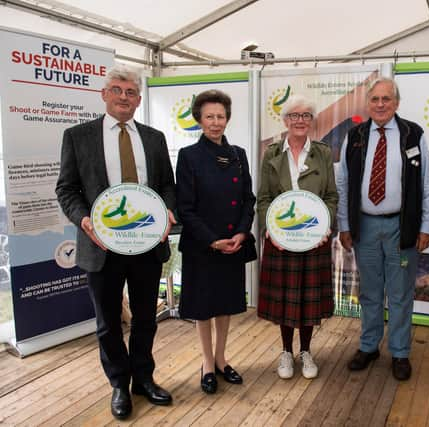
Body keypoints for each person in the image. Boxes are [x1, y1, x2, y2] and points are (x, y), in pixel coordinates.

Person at [56, 66, 176, 420]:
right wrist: (84, 219)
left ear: (139, 100)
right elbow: (66, 189)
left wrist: (167, 209)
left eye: (130, 92)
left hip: (146, 244)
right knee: (108, 322)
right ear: (104, 94)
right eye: (117, 90)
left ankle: (143, 378)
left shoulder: (154, 138)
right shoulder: (78, 136)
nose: (124, 97)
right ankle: (119, 384)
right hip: (101, 247)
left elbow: (166, 184)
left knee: (145, 319)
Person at [336, 77, 429, 381]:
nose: (380, 104)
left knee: (400, 293)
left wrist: (426, 225)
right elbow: (342, 183)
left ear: (396, 103)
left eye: (386, 99)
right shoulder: (354, 136)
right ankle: (368, 346)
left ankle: (400, 352)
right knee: (369, 292)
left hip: (400, 226)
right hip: (364, 226)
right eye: (375, 99)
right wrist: (344, 224)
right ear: (368, 103)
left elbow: (426, 184)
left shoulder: (412, 134)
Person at [176, 90, 256, 394]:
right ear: (199, 119)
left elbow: (248, 198)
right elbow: (185, 207)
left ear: (227, 119)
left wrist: (241, 232)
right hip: (203, 245)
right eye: (209, 116)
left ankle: (222, 359)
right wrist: (212, 240)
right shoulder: (189, 156)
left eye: (220, 116)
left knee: (224, 305)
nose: (215, 122)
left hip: (233, 242)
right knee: (204, 307)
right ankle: (207, 363)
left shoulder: (238, 154)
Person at [257, 95, 338, 380]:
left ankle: (306, 351)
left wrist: (324, 226)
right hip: (281, 239)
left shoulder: (323, 153)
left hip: (313, 238)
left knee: (307, 299)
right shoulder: (271, 153)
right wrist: (271, 229)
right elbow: (264, 198)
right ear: (285, 120)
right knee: (285, 299)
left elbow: (330, 196)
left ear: (312, 120)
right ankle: (285, 352)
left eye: (305, 115)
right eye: (294, 115)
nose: (300, 120)